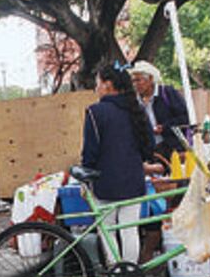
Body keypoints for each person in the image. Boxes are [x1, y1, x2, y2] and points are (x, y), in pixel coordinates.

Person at [81, 65, 155, 265]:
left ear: (108, 84)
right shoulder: (136, 110)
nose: (96, 88)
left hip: (104, 183)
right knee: (129, 229)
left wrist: (84, 178)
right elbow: (149, 147)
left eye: (98, 83)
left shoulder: (95, 112)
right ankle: (130, 275)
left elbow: (90, 152)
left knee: (107, 230)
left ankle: (116, 273)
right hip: (133, 181)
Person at [129, 60, 189, 171]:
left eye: (138, 80)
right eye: (133, 81)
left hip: (172, 150)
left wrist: (164, 127)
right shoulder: (135, 102)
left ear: (150, 79)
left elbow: (185, 118)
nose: (135, 84)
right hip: (150, 152)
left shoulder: (168, 94)